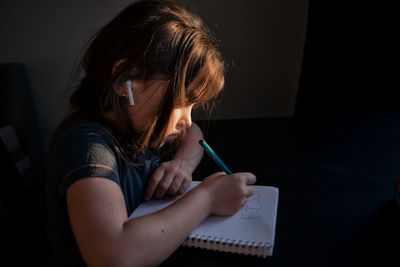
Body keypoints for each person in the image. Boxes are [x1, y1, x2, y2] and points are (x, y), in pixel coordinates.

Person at [45, 0, 256, 266]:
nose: (187, 121)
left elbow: (194, 135)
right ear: (126, 81)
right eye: (182, 102)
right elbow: (114, 255)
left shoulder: (138, 126)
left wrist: (181, 165)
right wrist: (207, 198)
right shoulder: (85, 146)